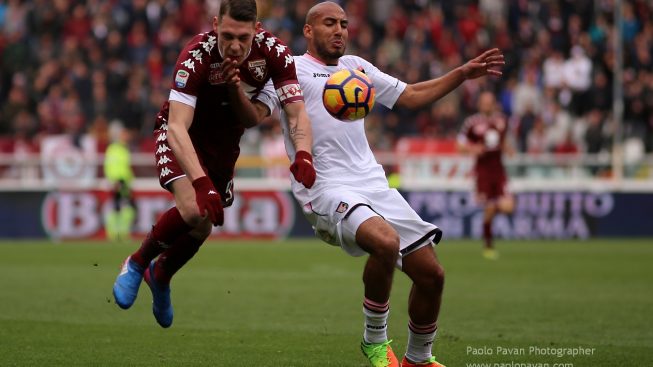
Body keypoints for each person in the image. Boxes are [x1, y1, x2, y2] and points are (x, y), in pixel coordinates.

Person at [265, 2, 504, 366]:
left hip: (373, 183)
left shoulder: (356, 67)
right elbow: (256, 111)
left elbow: (409, 96)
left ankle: (418, 359)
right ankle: (374, 341)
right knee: (386, 243)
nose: (339, 30)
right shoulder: (291, 70)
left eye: (344, 24)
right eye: (329, 23)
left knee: (432, 275)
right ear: (309, 31)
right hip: (326, 186)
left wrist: (461, 74)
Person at [112, 0, 316, 328]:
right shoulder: (196, 55)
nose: (234, 46)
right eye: (228, 35)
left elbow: (295, 112)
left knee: (203, 224)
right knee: (194, 208)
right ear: (215, 23)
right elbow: (177, 125)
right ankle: (136, 263)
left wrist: (304, 152)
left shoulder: (275, 54)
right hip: (182, 135)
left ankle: (161, 275)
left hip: (223, 145)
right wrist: (201, 182)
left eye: (243, 38)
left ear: (257, 30)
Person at [457, 91, 514, 260]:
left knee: (508, 207)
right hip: (482, 171)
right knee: (489, 207)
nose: (487, 105)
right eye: (484, 102)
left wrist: (507, 148)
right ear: (480, 104)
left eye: (490, 102)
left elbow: (502, 141)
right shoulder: (472, 123)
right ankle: (488, 246)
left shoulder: (502, 120)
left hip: (499, 170)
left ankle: (489, 219)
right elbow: (459, 145)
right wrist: (473, 149)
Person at [103, 121, 137, 242]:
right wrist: (115, 181)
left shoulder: (122, 148)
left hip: (123, 182)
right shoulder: (115, 149)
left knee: (121, 207)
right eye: (124, 133)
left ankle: (118, 233)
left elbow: (124, 167)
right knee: (124, 208)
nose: (126, 135)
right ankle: (117, 233)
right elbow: (111, 167)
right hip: (119, 182)